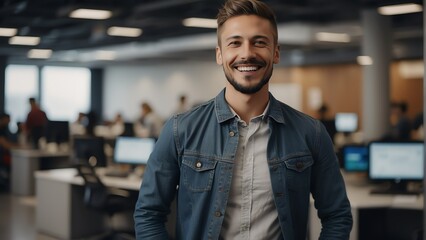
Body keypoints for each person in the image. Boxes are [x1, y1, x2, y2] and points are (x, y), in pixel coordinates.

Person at [133, 0, 353, 239]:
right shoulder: (180, 130)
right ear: (220, 54)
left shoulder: (311, 133)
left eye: (259, 42)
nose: (247, 53)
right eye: (235, 43)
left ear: (276, 52)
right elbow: (148, 214)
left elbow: (337, 215)